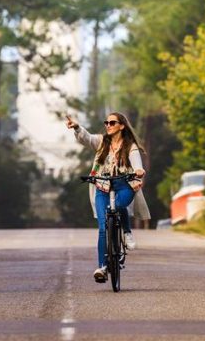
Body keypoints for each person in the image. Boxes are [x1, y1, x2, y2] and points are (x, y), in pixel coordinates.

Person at [66, 112, 150, 283]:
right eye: (107, 122)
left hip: (124, 184)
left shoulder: (130, 146)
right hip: (102, 185)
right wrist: (76, 127)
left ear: (122, 126)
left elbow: (137, 164)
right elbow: (87, 138)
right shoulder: (102, 142)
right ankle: (102, 267)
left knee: (119, 206)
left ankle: (126, 233)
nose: (108, 125)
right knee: (103, 227)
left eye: (112, 122)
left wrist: (139, 170)